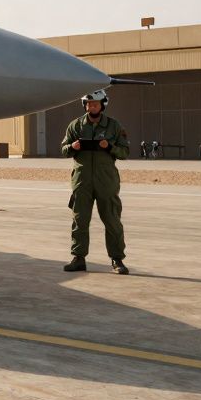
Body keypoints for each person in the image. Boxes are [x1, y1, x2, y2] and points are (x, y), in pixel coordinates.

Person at [61, 90, 129, 275]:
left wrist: (110, 147)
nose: (92, 107)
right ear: (85, 106)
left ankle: (117, 259)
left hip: (106, 180)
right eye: (89, 104)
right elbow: (64, 150)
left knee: (112, 220)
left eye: (96, 104)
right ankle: (78, 258)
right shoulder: (75, 126)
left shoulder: (113, 126)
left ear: (102, 105)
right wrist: (72, 147)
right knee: (80, 220)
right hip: (82, 180)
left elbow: (125, 152)